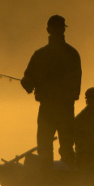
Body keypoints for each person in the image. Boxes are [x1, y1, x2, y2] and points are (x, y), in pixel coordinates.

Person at [20, 15, 82, 170]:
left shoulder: (41, 54)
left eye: (57, 28)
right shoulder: (71, 54)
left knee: (53, 146)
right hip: (61, 107)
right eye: (56, 28)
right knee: (56, 146)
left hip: (55, 107)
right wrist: (27, 82)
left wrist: (28, 83)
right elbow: (76, 86)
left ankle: (50, 177)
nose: (56, 31)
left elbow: (28, 83)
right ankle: (65, 177)